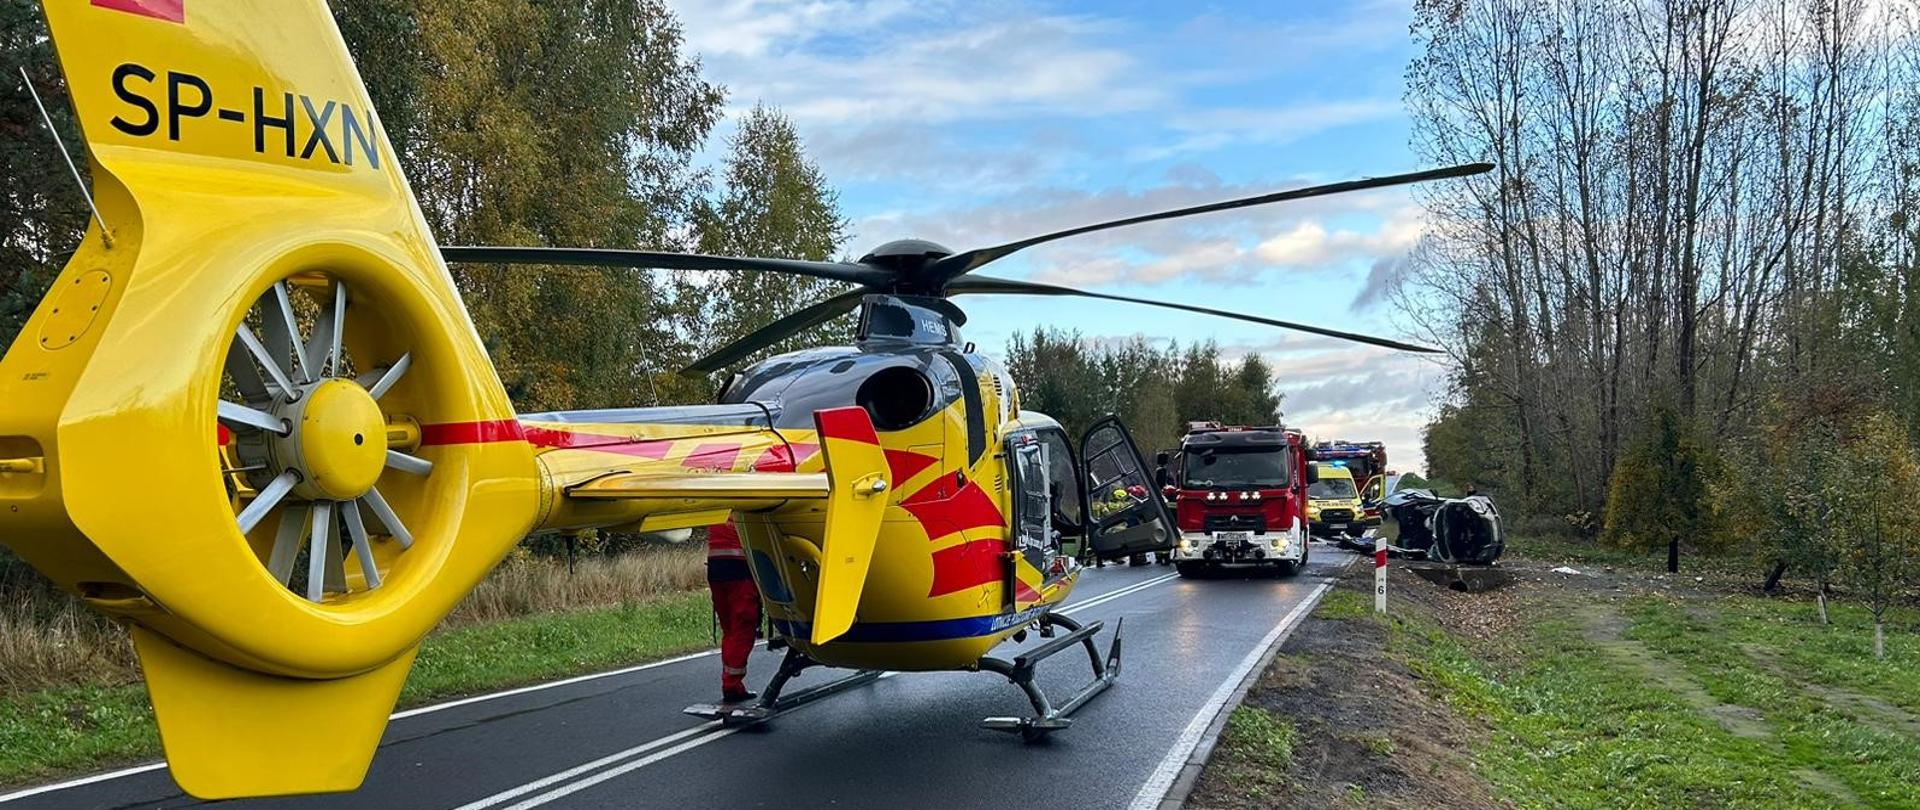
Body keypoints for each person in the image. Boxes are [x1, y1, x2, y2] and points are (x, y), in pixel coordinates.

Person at [706, 519, 761, 704]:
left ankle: (730, 683)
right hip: (739, 570)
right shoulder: (743, 505)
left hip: (716, 569)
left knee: (729, 629)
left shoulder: (720, 505)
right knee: (742, 630)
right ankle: (732, 685)